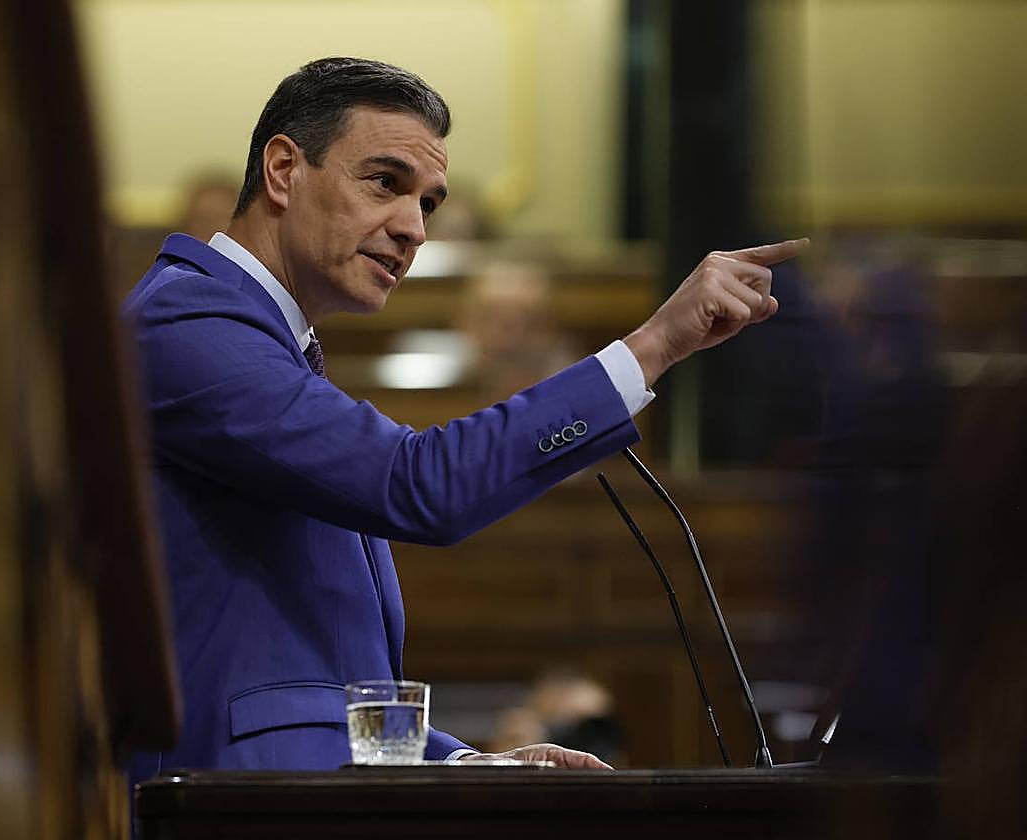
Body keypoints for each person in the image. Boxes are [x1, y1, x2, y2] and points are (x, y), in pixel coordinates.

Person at [123, 57, 806, 783]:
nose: (413, 228)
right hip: (236, 805)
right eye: (384, 183)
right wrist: (654, 346)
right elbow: (414, 484)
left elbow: (323, 675)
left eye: (428, 203)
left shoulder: (264, 341)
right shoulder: (187, 320)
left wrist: (467, 762)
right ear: (285, 170)